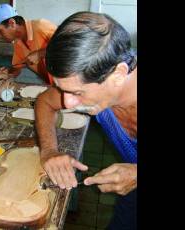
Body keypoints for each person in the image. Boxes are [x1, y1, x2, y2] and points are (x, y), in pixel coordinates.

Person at [34, 11, 137, 230]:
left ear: (118, 75)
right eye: (63, 90)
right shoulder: (100, 82)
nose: (69, 104)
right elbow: (44, 101)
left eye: (78, 93)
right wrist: (50, 151)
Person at [0, 3, 57, 85]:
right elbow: (17, 68)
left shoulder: (41, 26)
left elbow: (70, 45)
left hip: (68, 83)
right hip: (52, 84)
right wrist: (7, 72)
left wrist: (40, 53)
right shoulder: (18, 43)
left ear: (12, 23)